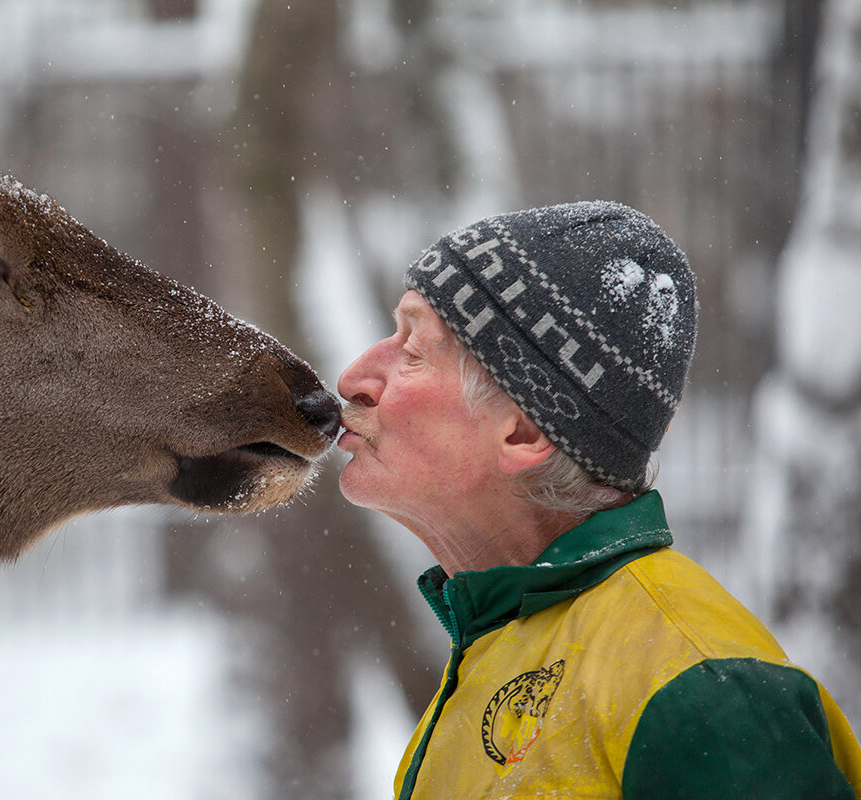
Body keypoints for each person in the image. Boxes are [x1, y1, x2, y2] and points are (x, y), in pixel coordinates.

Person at [335, 201, 861, 799]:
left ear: (525, 432)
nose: (354, 375)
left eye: (412, 351)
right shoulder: (492, 655)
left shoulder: (700, 686)